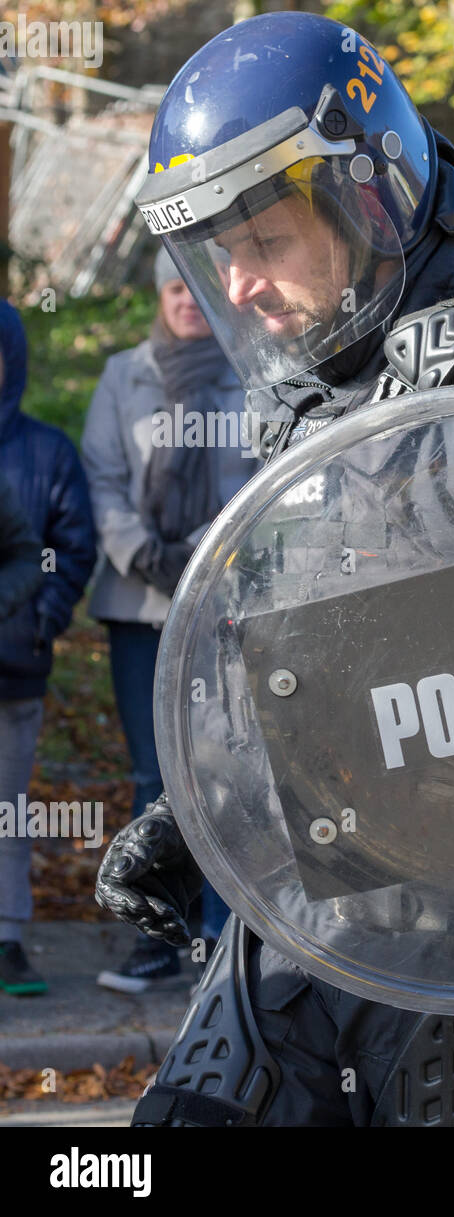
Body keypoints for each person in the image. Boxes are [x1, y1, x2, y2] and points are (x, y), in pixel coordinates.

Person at [95, 11, 454, 1126]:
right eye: (220, 253)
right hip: (303, 920)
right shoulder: (313, 412)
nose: (236, 288)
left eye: (267, 241)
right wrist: (210, 811)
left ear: (371, 193)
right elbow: (304, 670)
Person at [81, 248, 254, 994]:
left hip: (220, 605)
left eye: (198, 287)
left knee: (221, 765)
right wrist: (143, 554)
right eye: (175, 287)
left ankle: (221, 936)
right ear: (160, 294)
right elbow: (101, 474)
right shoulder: (125, 375)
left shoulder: (251, 371)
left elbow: (261, 481)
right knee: (153, 771)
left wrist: (207, 557)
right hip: (140, 603)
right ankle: (155, 938)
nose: (187, 301)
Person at [0, 301, 97, 996]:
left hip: (15, 665)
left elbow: (69, 550)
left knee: (7, 805)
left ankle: (7, 936)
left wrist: (41, 617)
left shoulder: (47, 452)